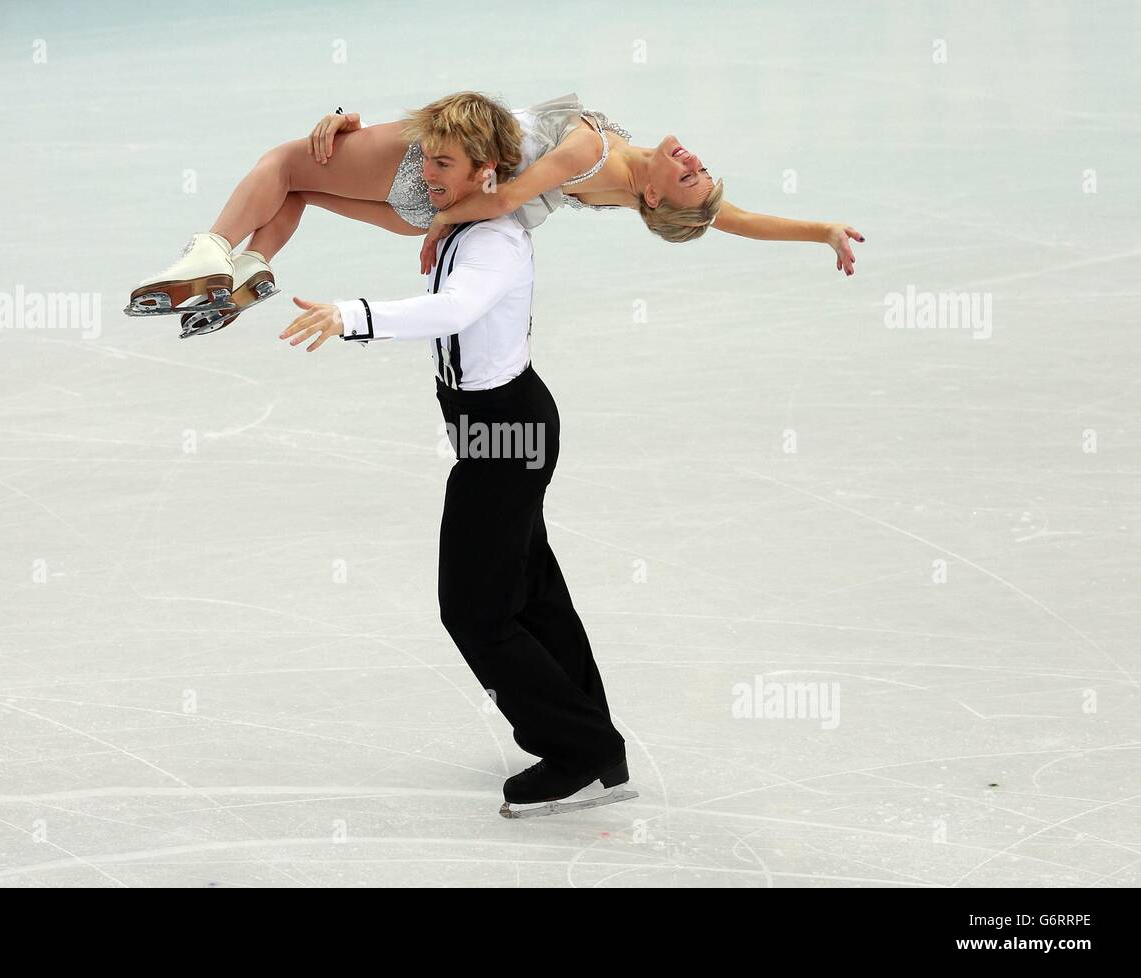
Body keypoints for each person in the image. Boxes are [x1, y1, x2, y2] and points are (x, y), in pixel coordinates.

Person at [276, 98, 634, 818]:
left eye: (442, 165)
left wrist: (351, 315)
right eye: (427, 161)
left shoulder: (494, 242)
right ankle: (594, 743)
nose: (424, 176)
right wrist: (346, 125)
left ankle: (580, 752)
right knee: (528, 591)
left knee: (474, 610)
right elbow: (373, 183)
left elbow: (452, 311)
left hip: (507, 436)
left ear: (487, 171)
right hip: (493, 426)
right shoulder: (462, 221)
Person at [124, 91, 864, 337]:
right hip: (434, 205)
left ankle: (212, 250)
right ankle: (250, 273)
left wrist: (447, 215)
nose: (696, 164)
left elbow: (507, 196)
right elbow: (724, 218)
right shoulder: (630, 183)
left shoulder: (588, 147)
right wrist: (820, 230)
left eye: (689, 176)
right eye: (702, 171)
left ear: (652, 197)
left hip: (438, 170)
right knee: (302, 192)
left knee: (285, 163)